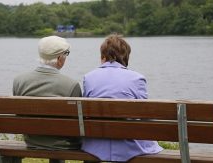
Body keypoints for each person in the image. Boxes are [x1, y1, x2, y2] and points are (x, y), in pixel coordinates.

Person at [81, 34, 163, 162]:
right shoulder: (137, 78)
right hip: (129, 146)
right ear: (125, 57)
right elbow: (144, 116)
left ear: (103, 57)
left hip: (96, 144)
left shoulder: (88, 77)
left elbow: (87, 113)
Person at [13, 36, 82, 163]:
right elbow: (77, 124)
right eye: (66, 54)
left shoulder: (19, 81)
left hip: (32, 141)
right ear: (60, 58)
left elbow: (18, 115)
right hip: (64, 144)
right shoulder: (71, 85)